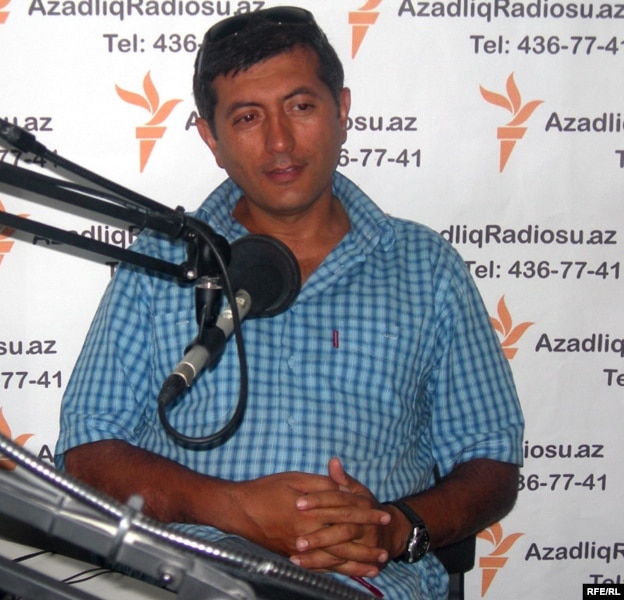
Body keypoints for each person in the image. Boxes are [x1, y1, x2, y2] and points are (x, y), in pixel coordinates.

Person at [56, 6, 524, 599]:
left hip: (366, 583)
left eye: (300, 107)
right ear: (212, 138)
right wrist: (234, 509)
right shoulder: (163, 262)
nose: (279, 141)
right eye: (248, 117)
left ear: (342, 110)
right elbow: (87, 451)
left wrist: (395, 528)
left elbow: (490, 460)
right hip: (190, 577)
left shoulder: (425, 268)